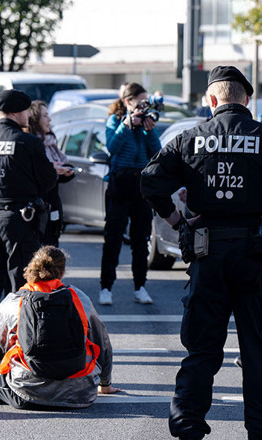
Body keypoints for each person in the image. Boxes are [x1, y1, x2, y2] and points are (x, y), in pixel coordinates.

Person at [140, 66, 262, 440]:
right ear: (247, 100)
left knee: (201, 349)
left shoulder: (189, 138)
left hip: (207, 254)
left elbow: (150, 182)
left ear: (212, 100)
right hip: (256, 254)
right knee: (257, 351)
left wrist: (177, 221)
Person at [0, 246, 118, 408]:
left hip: (28, 392)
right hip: (81, 392)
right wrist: (105, 384)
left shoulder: (14, 301)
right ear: (62, 272)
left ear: (32, 268)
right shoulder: (80, 298)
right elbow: (102, 342)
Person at [0, 89, 58, 354]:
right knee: (23, 279)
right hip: (18, 218)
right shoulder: (28, 142)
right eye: (27, 110)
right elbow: (48, 180)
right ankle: (23, 335)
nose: (29, 115)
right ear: (18, 112)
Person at [99, 82, 161, 306]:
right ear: (128, 102)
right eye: (141, 102)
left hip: (141, 184)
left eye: (147, 102)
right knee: (113, 238)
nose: (144, 106)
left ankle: (140, 286)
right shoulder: (115, 120)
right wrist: (126, 124)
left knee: (140, 239)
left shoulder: (147, 122)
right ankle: (106, 287)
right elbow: (112, 147)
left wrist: (149, 130)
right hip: (120, 183)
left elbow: (156, 152)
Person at [26, 100, 75, 247]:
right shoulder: (31, 144)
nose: (49, 120)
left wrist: (65, 171)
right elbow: (35, 175)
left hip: (53, 205)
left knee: (53, 244)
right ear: (35, 120)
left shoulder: (51, 142)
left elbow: (64, 166)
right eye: (45, 116)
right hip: (38, 208)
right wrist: (52, 170)